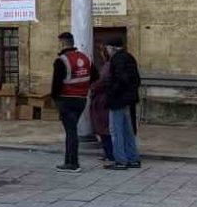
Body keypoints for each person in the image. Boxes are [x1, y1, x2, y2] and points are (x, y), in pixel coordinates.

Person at [51, 32, 96, 172]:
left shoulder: (61, 61)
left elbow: (56, 84)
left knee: (71, 132)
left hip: (66, 100)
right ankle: (69, 161)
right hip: (81, 99)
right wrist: (84, 88)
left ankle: (72, 163)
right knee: (72, 130)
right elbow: (95, 77)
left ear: (62, 43)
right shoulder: (85, 58)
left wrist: (54, 99)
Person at [103, 39, 141, 169]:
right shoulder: (130, 57)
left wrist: (110, 94)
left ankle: (120, 160)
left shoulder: (116, 60)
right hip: (128, 99)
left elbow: (120, 80)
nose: (107, 51)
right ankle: (133, 158)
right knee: (127, 130)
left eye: (107, 48)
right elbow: (136, 80)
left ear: (112, 48)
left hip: (118, 99)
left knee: (116, 130)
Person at [90, 53, 114, 164]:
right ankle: (108, 153)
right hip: (103, 99)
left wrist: (93, 86)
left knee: (104, 128)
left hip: (103, 100)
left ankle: (110, 154)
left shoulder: (108, 66)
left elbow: (102, 82)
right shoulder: (108, 65)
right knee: (104, 129)